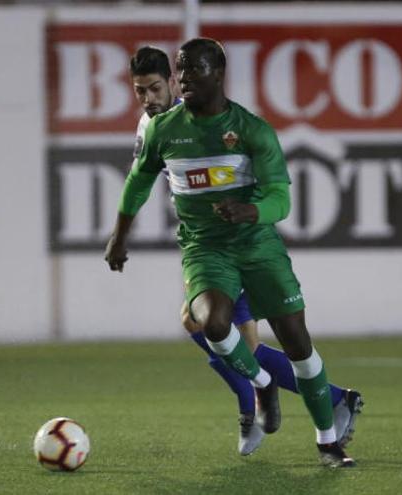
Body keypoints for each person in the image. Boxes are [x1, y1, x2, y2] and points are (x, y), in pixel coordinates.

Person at [108, 39, 355, 467]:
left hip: (256, 244)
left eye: (191, 72)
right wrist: (119, 234)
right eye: (180, 71)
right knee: (209, 321)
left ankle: (328, 439)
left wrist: (251, 210)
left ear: (218, 73)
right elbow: (138, 181)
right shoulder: (160, 129)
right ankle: (260, 387)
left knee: (296, 342)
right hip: (206, 247)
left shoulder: (252, 130)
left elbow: (282, 199)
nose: (184, 80)